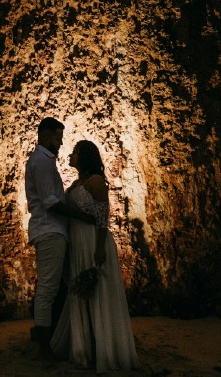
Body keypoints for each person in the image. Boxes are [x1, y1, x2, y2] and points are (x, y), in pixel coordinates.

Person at [51, 140, 139, 372]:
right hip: (78, 243)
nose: (70, 155)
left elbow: (103, 218)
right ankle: (85, 348)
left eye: (75, 152)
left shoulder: (96, 181)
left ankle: (104, 348)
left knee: (97, 291)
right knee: (80, 291)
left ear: (84, 156)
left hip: (92, 241)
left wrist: (99, 247)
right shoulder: (77, 182)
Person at [24, 117, 95, 361]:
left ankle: (55, 337)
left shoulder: (45, 161)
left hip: (54, 231)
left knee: (58, 287)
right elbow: (50, 202)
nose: (61, 142)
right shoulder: (42, 162)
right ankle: (45, 348)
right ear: (43, 136)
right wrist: (82, 216)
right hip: (49, 230)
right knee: (48, 289)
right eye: (57, 137)